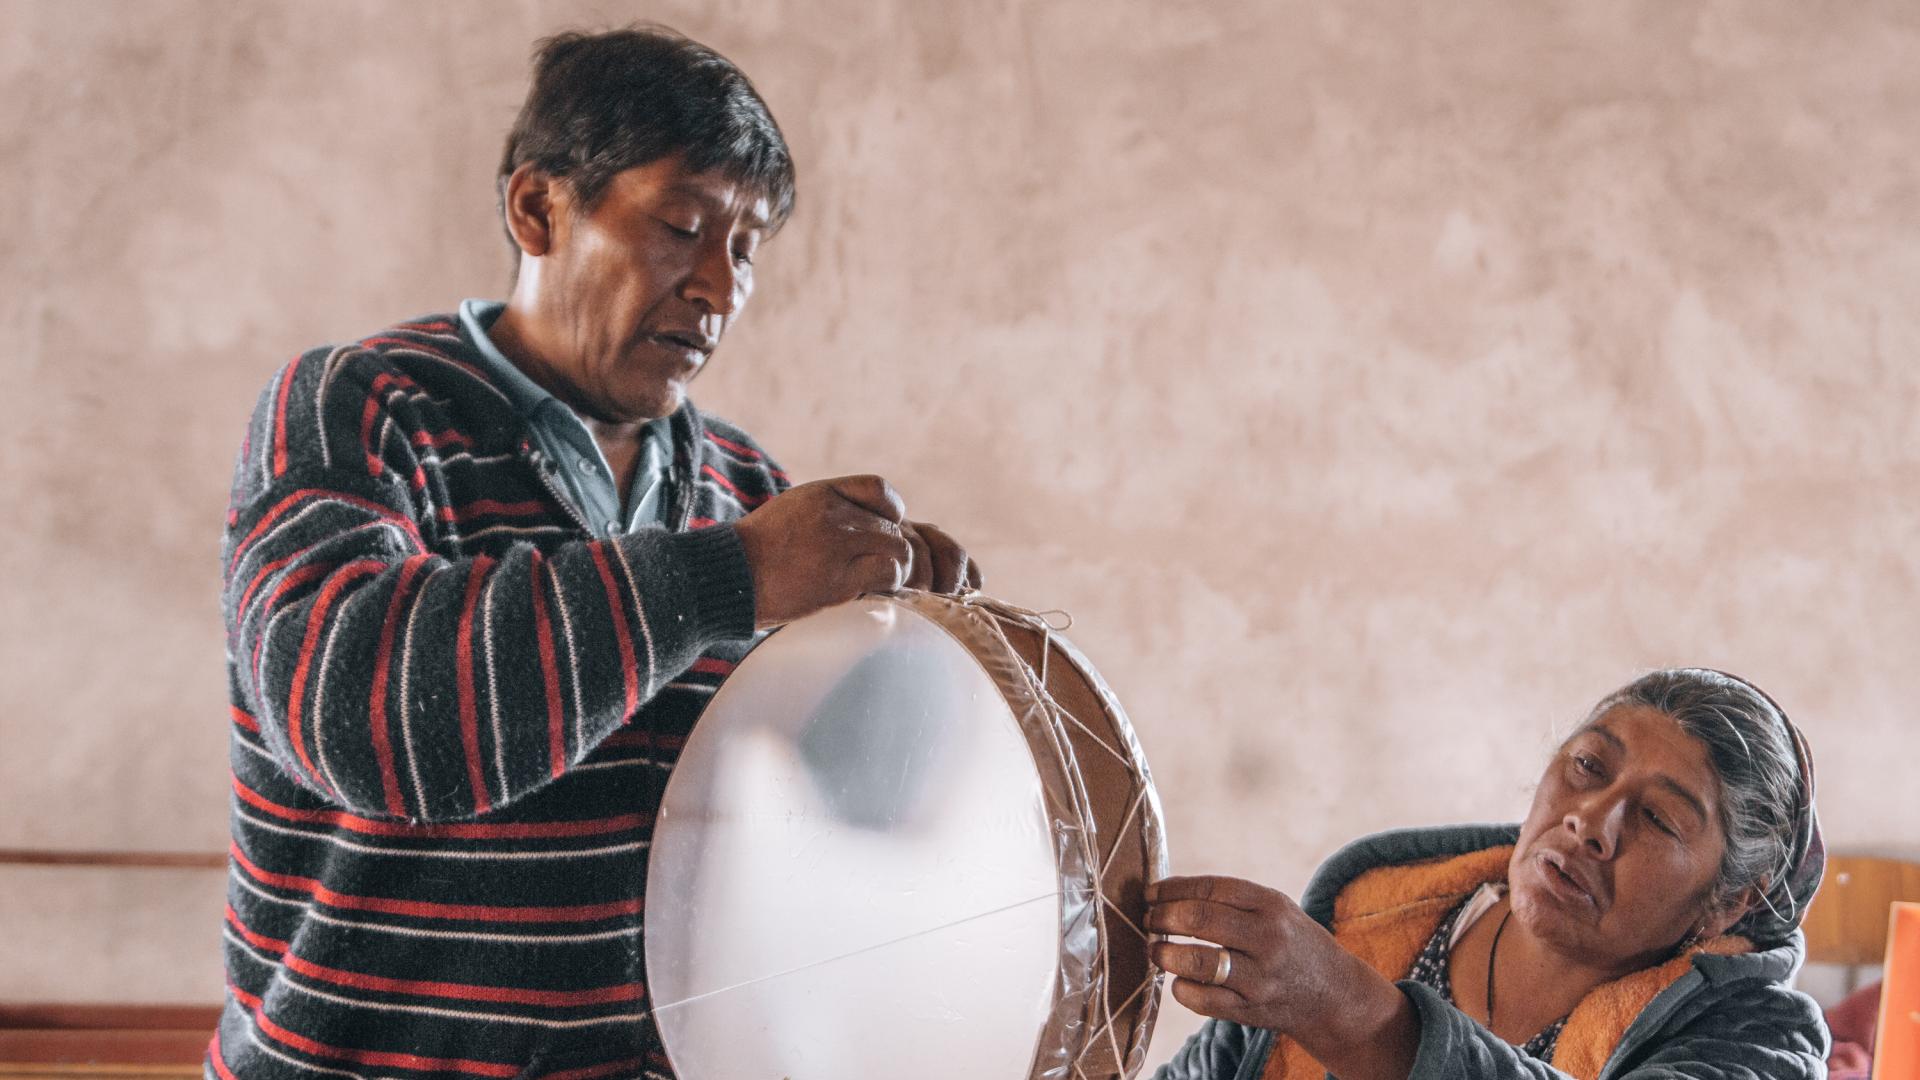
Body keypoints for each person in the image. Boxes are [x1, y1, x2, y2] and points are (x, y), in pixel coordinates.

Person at [213, 27, 977, 1078]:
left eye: (746, 246)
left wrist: (913, 661)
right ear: (539, 208)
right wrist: (731, 579)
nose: (719, 286)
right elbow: (359, 715)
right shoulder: (360, 406)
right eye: (682, 225)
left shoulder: (743, 489)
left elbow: (830, 813)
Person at [1149, 668, 1829, 1080]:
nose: (1591, 822)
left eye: (1656, 818)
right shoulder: (1368, 916)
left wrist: (1352, 1014)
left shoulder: (1755, 1039)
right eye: (1588, 767)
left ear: (1732, 903)